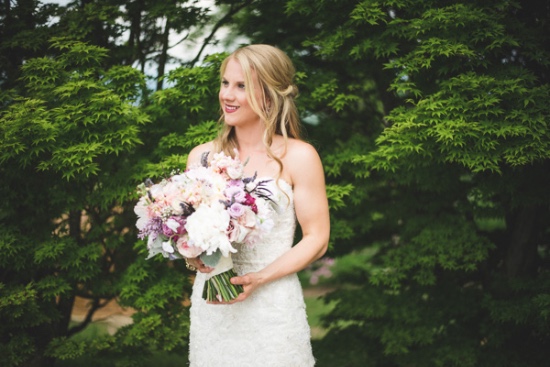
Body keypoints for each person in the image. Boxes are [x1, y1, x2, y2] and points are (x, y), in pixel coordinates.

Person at [185, 44, 330, 367]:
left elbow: (317, 239)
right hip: (214, 307)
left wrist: (261, 278)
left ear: (269, 95)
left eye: (241, 86)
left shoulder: (299, 156)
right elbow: (190, 233)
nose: (227, 95)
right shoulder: (201, 157)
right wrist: (194, 257)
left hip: (273, 306)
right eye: (225, 83)